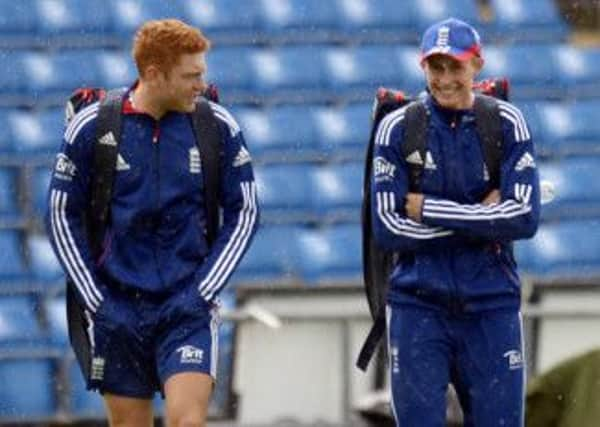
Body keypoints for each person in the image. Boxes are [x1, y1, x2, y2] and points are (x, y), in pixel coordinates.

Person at [45, 19, 259, 427]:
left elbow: (245, 212)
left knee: (188, 422)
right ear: (153, 74)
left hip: (187, 305)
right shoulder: (94, 127)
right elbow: (59, 213)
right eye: (191, 75)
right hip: (118, 307)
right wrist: (98, 301)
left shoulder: (216, 125)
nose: (202, 83)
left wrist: (202, 291)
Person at [369, 17, 540, 426]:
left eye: (455, 66)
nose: (445, 79)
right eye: (436, 67)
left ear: (477, 65)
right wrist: (483, 219)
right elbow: (388, 228)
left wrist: (429, 208)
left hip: (491, 304)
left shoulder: (506, 123)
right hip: (417, 305)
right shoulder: (397, 128)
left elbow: (524, 216)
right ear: (422, 66)